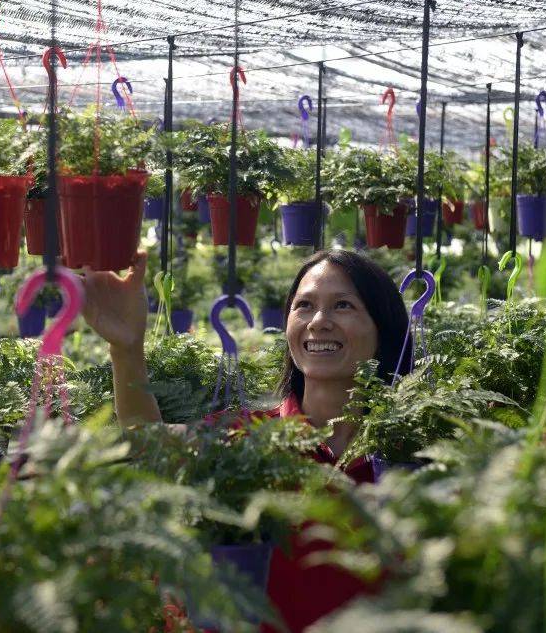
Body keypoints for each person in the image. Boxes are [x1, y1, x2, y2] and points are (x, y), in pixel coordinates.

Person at [81, 248, 412, 632]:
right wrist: (126, 350)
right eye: (304, 306)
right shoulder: (248, 435)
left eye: (343, 306)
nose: (319, 321)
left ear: (382, 328)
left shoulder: (410, 448)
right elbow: (146, 438)